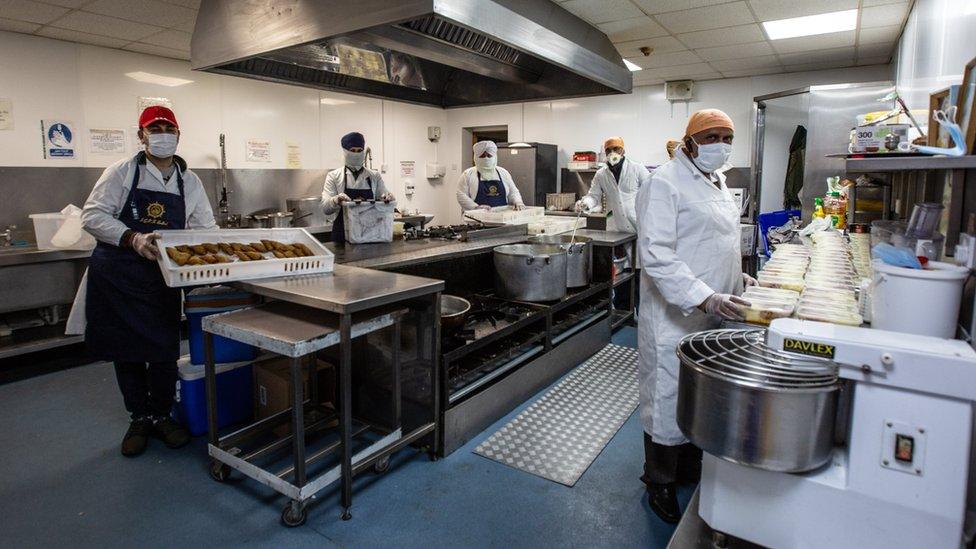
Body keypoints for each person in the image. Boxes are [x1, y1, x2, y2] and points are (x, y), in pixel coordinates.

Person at [635, 109, 757, 523]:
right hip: (675, 314)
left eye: (727, 136)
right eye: (711, 136)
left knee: (700, 393)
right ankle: (659, 481)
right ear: (689, 142)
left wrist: (737, 278)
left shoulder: (718, 182)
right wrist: (703, 297)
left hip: (715, 310)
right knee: (667, 394)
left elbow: (715, 241)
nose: (721, 144)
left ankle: (686, 464)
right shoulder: (663, 182)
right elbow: (657, 254)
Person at [75, 106, 217, 457]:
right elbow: (92, 216)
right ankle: (138, 417)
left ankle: (162, 415)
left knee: (165, 349)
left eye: (169, 127)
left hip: (162, 280)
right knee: (128, 352)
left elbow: (204, 228)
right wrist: (132, 238)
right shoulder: (122, 172)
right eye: (155, 127)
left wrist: (216, 259)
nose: (163, 133)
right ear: (142, 136)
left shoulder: (190, 180)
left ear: (179, 134)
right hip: (121, 274)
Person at [321, 132, 394, 244]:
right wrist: (335, 200)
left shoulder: (374, 176)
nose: (356, 154)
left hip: (370, 235)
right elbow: (326, 208)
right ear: (345, 152)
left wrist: (388, 197)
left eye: (359, 150)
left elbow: (384, 198)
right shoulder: (334, 176)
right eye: (352, 151)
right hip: (342, 237)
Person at [456, 140, 525, 211]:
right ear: (476, 158)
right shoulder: (467, 174)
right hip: (477, 218)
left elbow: (513, 192)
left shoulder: (503, 172)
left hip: (502, 217)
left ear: (494, 157)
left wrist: (518, 201)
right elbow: (461, 195)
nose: (486, 158)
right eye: (482, 156)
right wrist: (475, 207)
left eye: (489, 156)